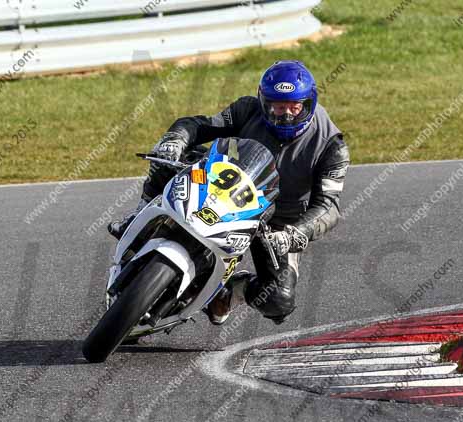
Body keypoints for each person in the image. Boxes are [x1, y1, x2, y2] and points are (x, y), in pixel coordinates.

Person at [108, 60, 350, 326]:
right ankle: (138, 214)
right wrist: (176, 138)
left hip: (275, 225)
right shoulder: (247, 109)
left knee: (279, 300)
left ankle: (231, 292)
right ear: (264, 102)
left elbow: (328, 206)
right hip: (224, 186)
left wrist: (296, 233)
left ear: (309, 103)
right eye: (278, 107)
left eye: (295, 107)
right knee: (170, 157)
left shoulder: (332, 145)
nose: (286, 115)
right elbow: (199, 125)